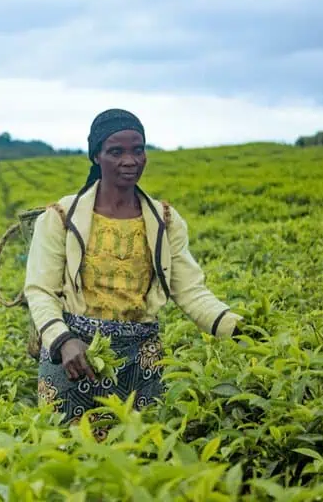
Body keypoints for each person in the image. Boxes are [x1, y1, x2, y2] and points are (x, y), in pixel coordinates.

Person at [23, 108, 242, 428]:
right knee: (69, 455)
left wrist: (239, 330)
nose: (130, 160)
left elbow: (191, 291)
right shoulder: (61, 217)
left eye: (138, 150)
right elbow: (40, 290)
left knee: (141, 455)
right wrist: (62, 340)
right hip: (75, 356)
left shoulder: (165, 220)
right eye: (116, 152)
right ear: (96, 156)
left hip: (142, 358)